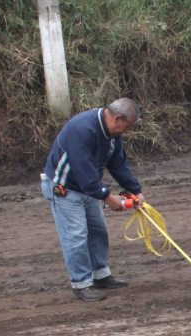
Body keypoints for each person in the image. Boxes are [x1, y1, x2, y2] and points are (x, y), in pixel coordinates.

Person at [41, 98, 145, 301]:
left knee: (98, 230)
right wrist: (108, 197)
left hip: (88, 187)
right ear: (117, 118)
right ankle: (81, 283)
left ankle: (100, 275)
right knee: (76, 236)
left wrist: (135, 190)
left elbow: (118, 163)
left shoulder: (113, 134)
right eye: (127, 126)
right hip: (65, 188)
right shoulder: (82, 129)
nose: (127, 131)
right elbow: (83, 170)